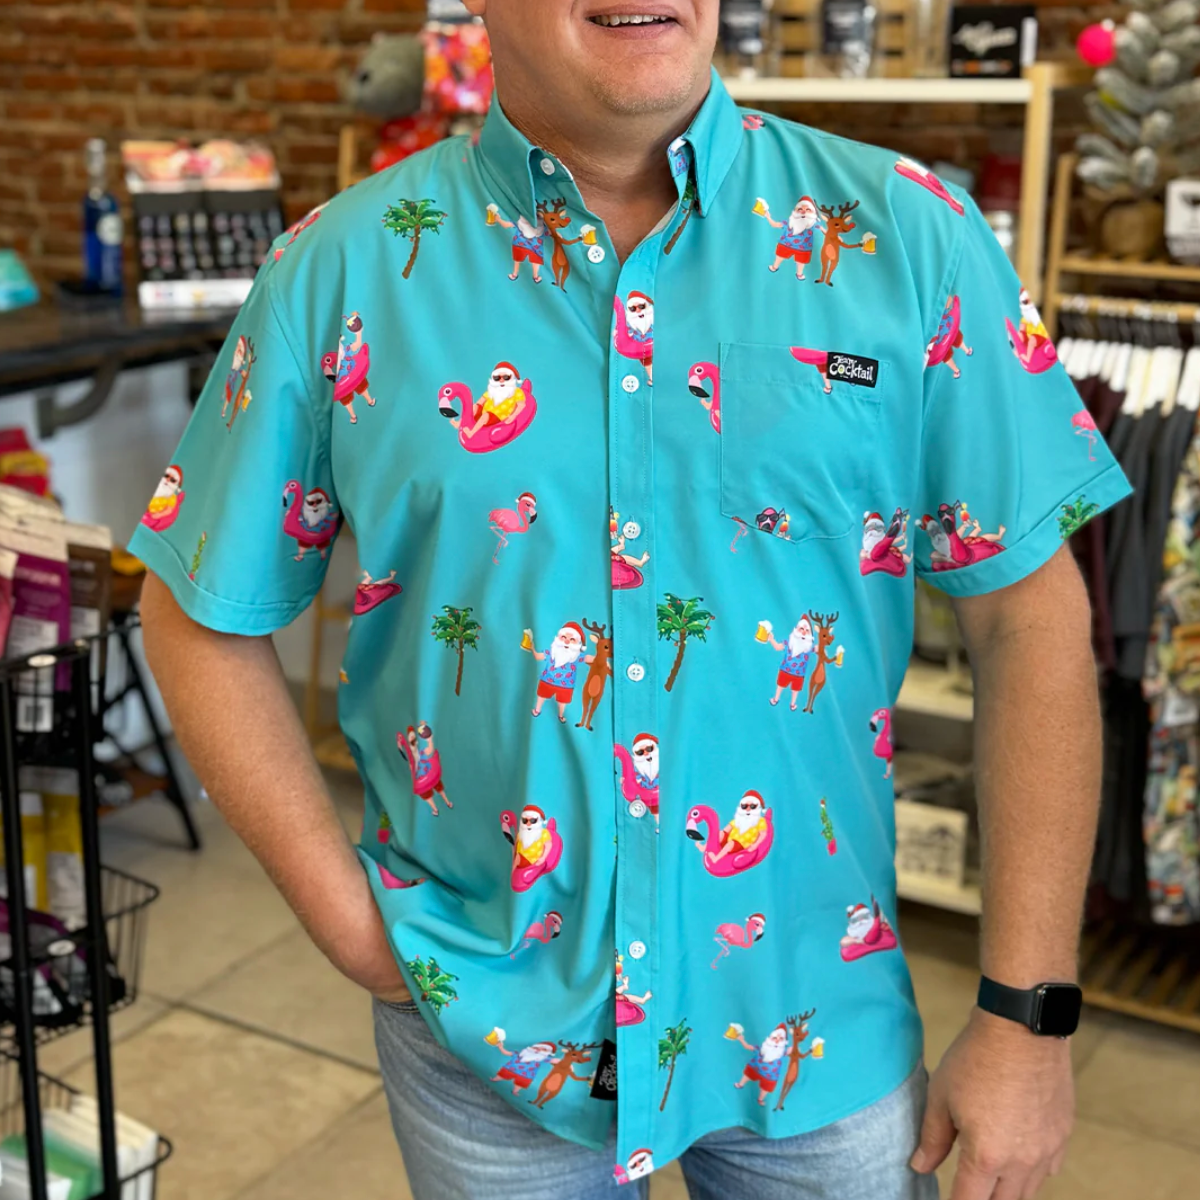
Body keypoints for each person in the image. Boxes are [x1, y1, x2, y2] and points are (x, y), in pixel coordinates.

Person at [132, 2, 1131, 1198]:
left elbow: (1028, 618)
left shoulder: (908, 236)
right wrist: (352, 923)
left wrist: (1027, 1016)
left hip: (815, 1024)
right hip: (483, 1031)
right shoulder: (340, 269)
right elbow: (197, 610)